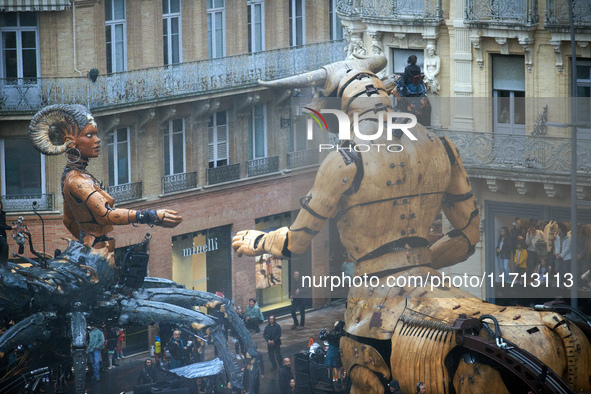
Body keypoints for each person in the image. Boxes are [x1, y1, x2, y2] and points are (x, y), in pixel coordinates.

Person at [28, 104, 182, 254]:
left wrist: (85, 231)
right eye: (89, 135)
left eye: (96, 134)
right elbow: (106, 215)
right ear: (71, 141)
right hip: (95, 252)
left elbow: (68, 220)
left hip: (93, 245)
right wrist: (151, 215)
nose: (98, 140)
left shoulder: (77, 176)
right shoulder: (77, 181)